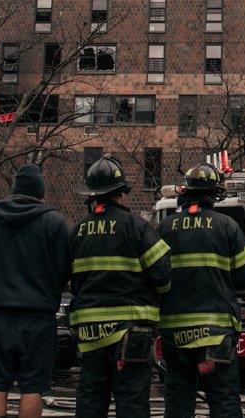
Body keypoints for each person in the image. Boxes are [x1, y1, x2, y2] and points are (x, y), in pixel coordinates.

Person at [69, 156, 171, 418]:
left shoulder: (78, 231)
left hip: (90, 333)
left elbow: (67, 277)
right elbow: (162, 274)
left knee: (91, 399)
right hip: (131, 331)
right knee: (132, 401)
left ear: (93, 196)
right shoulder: (136, 226)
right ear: (121, 195)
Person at [0, 163, 71, 418]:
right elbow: (64, 272)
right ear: (40, 192)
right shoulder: (55, 222)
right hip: (38, 318)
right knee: (32, 387)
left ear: (13, 189)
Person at [157, 162, 245, 418]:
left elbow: (154, 276)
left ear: (185, 191)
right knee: (223, 399)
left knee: (178, 398)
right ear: (215, 193)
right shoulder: (227, 226)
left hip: (175, 335)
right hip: (216, 334)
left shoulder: (165, 228)